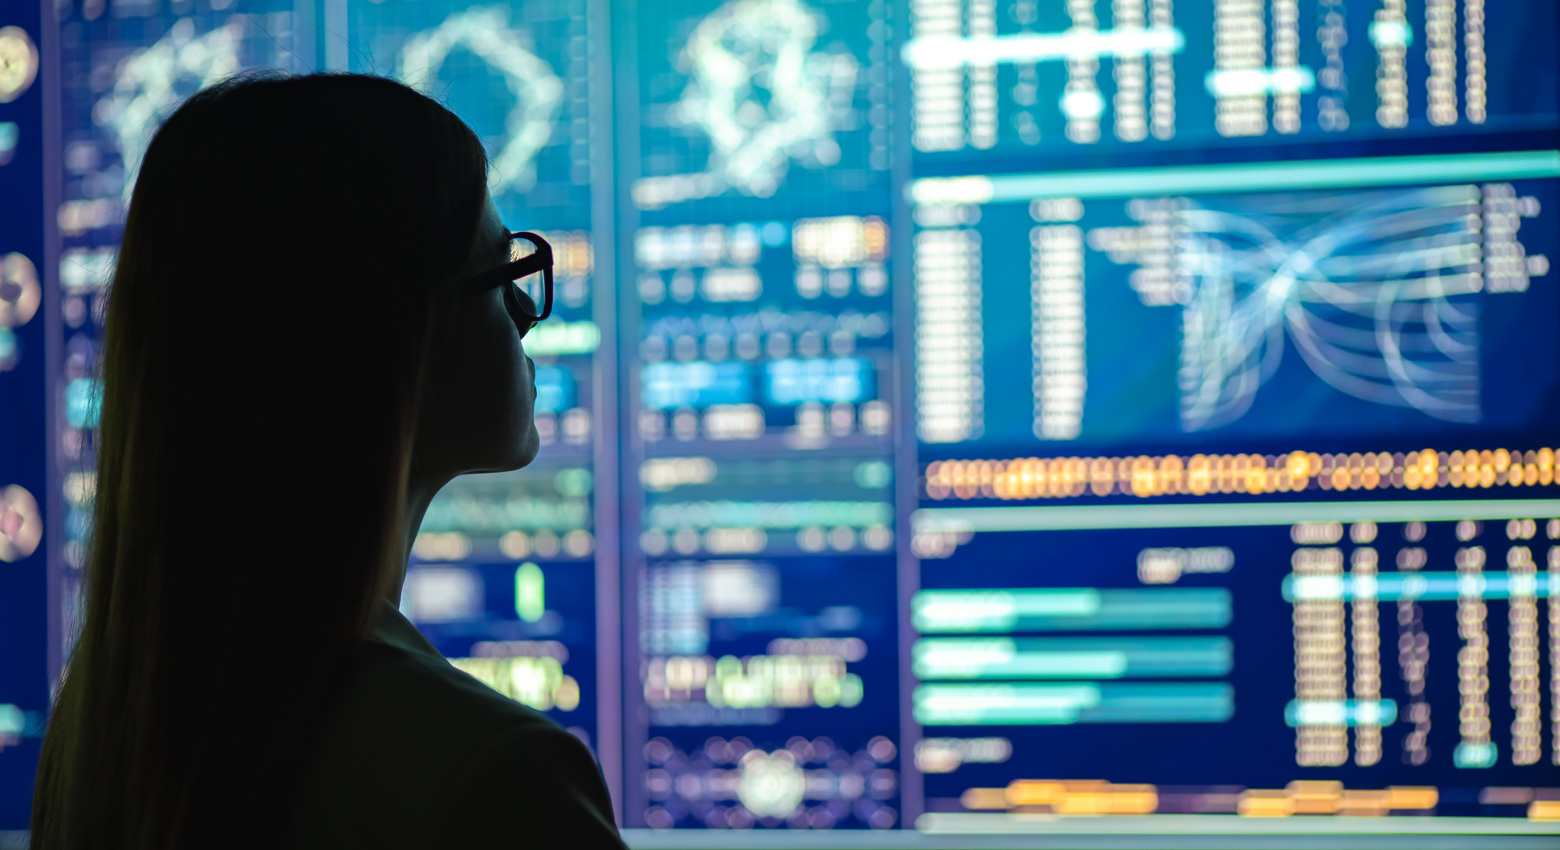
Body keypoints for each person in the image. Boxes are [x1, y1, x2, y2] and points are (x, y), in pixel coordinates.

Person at [30, 73, 624, 849]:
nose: (526, 316)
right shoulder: (499, 775)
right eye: (502, 273)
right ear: (392, 338)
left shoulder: (100, 728)